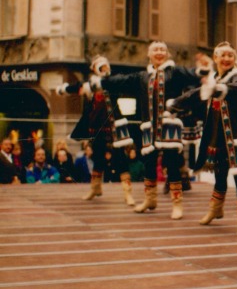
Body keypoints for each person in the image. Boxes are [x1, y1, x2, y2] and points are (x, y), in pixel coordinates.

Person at [86, 41, 211, 219]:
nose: (159, 52)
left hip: (169, 124)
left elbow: (193, 74)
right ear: (149, 54)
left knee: (172, 164)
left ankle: (177, 204)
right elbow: (120, 80)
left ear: (167, 54)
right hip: (149, 126)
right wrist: (101, 81)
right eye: (155, 50)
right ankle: (150, 200)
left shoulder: (175, 72)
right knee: (149, 163)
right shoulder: (142, 76)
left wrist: (203, 69)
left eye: (162, 50)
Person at [172, 41, 237, 236]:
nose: (227, 58)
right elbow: (196, 94)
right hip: (217, 136)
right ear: (215, 58)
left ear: (235, 59)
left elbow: (236, 89)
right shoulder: (213, 78)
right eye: (223, 55)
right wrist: (175, 104)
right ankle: (215, 209)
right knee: (219, 175)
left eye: (230, 55)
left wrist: (215, 88)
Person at [57, 56, 136, 205]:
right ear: (95, 70)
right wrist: (63, 89)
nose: (105, 70)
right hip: (97, 128)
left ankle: (128, 193)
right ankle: (95, 188)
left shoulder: (112, 82)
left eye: (106, 67)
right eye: (101, 67)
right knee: (98, 157)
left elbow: (122, 82)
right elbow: (76, 86)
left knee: (120, 158)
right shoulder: (89, 85)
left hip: (114, 126)